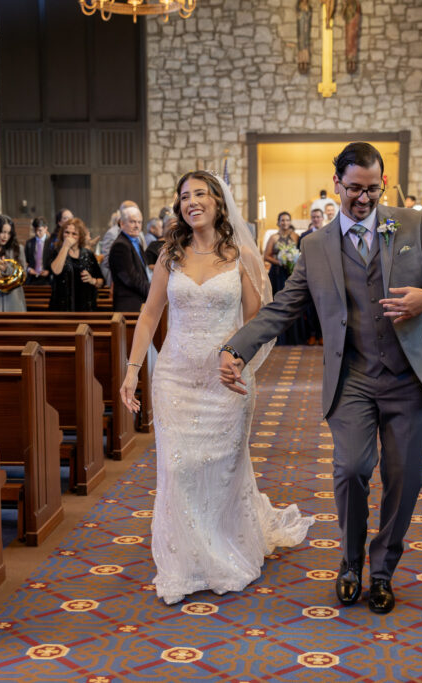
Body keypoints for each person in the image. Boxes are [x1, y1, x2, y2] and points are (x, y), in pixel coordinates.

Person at [219, 142, 422, 614]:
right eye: (355, 188)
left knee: (405, 478)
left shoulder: (411, 225)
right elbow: (283, 308)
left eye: (373, 189)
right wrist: (235, 347)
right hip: (352, 376)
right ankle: (351, 561)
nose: (365, 198)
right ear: (337, 185)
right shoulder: (315, 246)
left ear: (383, 184)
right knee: (352, 469)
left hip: (410, 375)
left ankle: (383, 569)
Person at [118, 170, 313, 605]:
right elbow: (149, 315)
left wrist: (240, 362)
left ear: (218, 201)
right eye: (185, 196)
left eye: (200, 194)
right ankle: (186, 561)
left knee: (221, 468)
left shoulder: (242, 253)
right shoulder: (170, 254)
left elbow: (256, 322)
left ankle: (223, 548)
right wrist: (133, 369)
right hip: (175, 376)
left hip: (225, 380)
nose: (192, 202)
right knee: (179, 468)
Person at [264, 211, 304, 345]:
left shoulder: (296, 236)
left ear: (290, 222)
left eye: (287, 220)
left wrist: (293, 260)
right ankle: (279, 338)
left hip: (292, 273)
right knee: (279, 302)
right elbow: (266, 256)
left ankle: (294, 337)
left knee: (292, 302)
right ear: (278, 222)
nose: (285, 223)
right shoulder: (273, 238)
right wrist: (281, 261)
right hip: (277, 274)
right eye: (282, 220)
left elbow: (300, 253)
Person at [47, 217, 102, 311]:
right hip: (61, 307)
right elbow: (55, 271)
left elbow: (101, 281)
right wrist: (65, 246)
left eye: (74, 234)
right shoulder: (56, 252)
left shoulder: (88, 254)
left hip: (85, 307)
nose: (69, 236)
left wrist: (92, 280)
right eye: (67, 232)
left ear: (80, 236)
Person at [107, 205, 151, 312]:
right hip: (129, 304)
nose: (137, 226)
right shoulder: (120, 246)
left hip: (139, 300)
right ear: (122, 223)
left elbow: (143, 272)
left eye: (139, 222)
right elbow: (131, 279)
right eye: (132, 222)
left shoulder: (136, 242)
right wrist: (152, 292)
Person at [299, 208, 326, 344]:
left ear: (322, 218)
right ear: (311, 219)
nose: (316, 219)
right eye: (314, 217)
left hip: (325, 275)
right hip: (310, 274)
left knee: (322, 307)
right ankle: (312, 334)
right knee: (309, 307)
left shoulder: (329, 233)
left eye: (318, 217)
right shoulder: (304, 235)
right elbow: (301, 254)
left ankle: (322, 335)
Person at [25, 217, 52, 285]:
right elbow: (25, 261)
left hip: (47, 278)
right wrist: (29, 269)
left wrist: (49, 271)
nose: (37, 233)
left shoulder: (51, 243)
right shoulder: (29, 243)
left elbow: (54, 260)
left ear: (46, 228)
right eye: (35, 230)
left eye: (40, 230)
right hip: (32, 278)